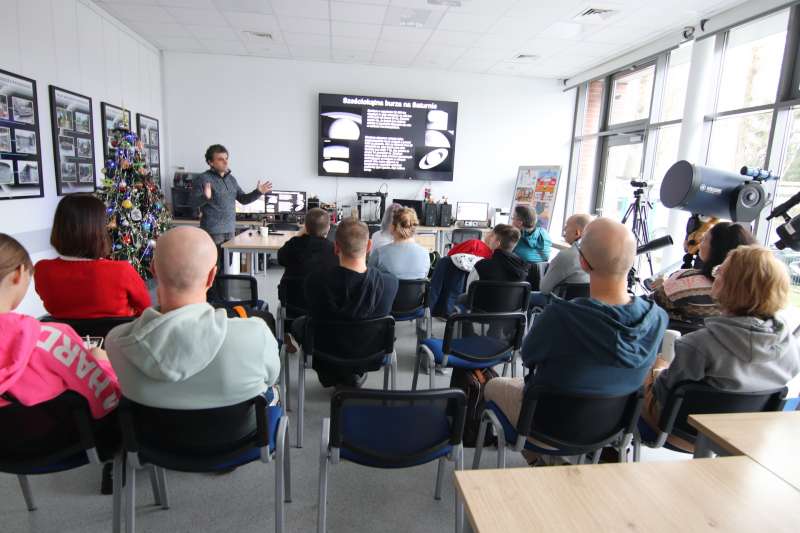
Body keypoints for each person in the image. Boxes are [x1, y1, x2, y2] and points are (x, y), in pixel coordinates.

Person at [484, 218, 667, 464]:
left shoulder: (560, 316)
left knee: (492, 386)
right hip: (614, 425)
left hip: (547, 422)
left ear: (583, 262)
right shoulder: (657, 318)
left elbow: (528, 357)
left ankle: (539, 459)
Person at [641, 245, 800, 452]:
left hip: (679, 434)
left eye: (719, 271)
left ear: (730, 287)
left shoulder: (698, 345)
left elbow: (664, 394)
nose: (714, 276)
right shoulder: (790, 347)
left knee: (636, 373)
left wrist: (656, 369)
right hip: (739, 437)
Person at [106, 226, 280, 409]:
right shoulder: (255, 336)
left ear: (153, 270)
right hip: (239, 427)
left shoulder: (117, 343)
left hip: (149, 429)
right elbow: (271, 378)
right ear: (211, 277)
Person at [0, 234, 120, 492]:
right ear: (18, 274)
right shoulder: (53, 339)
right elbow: (107, 399)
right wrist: (103, 363)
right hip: (68, 446)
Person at [292, 218, 398, 388]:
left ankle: (339, 376)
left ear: (336, 247)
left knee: (299, 324)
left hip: (324, 355)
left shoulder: (314, 281)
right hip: (371, 354)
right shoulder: (389, 283)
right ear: (369, 246)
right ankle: (353, 374)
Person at [34, 194, 151, 319]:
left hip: (64, 332)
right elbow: (146, 310)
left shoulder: (42, 270)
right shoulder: (122, 271)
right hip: (117, 332)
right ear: (99, 230)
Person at [651, 222, 755, 325]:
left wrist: (667, 285)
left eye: (704, 239)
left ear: (716, 249)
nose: (699, 243)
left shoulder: (685, 282)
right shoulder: (749, 294)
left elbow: (648, 308)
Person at [192, 144, 272, 270]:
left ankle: (223, 284)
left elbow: (243, 199)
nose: (225, 162)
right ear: (210, 162)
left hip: (229, 231)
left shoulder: (231, 180)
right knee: (214, 268)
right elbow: (193, 202)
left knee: (226, 266)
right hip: (213, 232)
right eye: (220, 159)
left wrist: (258, 192)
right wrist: (205, 197)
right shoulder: (203, 179)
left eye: (226, 158)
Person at [368, 207, 431, 280]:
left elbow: (369, 279)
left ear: (393, 227)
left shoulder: (379, 253)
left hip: (388, 288)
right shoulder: (425, 254)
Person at [277, 207, 338, 281]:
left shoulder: (294, 243)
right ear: (328, 228)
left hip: (291, 288)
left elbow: (280, 260)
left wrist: (299, 234)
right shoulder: (333, 249)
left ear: (305, 226)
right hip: (318, 288)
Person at [538, 213, 592, 295]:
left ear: (577, 233)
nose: (564, 229)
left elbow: (544, 289)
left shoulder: (567, 256)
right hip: (589, 302)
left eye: (567, 226)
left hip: (561, 301)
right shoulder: (601, 256)